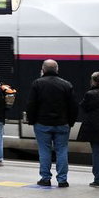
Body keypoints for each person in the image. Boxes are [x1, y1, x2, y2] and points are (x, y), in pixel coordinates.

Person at [25, 58, 76, 188]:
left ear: (43, 70)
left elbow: (31, 104)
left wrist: (31, 120)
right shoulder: (66, 84)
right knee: (62, 150)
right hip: (62, 123)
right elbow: (73, 106)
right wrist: (70, 122)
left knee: (44, 151)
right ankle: (62, 180)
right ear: (57, 69)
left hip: (42, 123)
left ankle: (45, 178)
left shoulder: (37, 84)